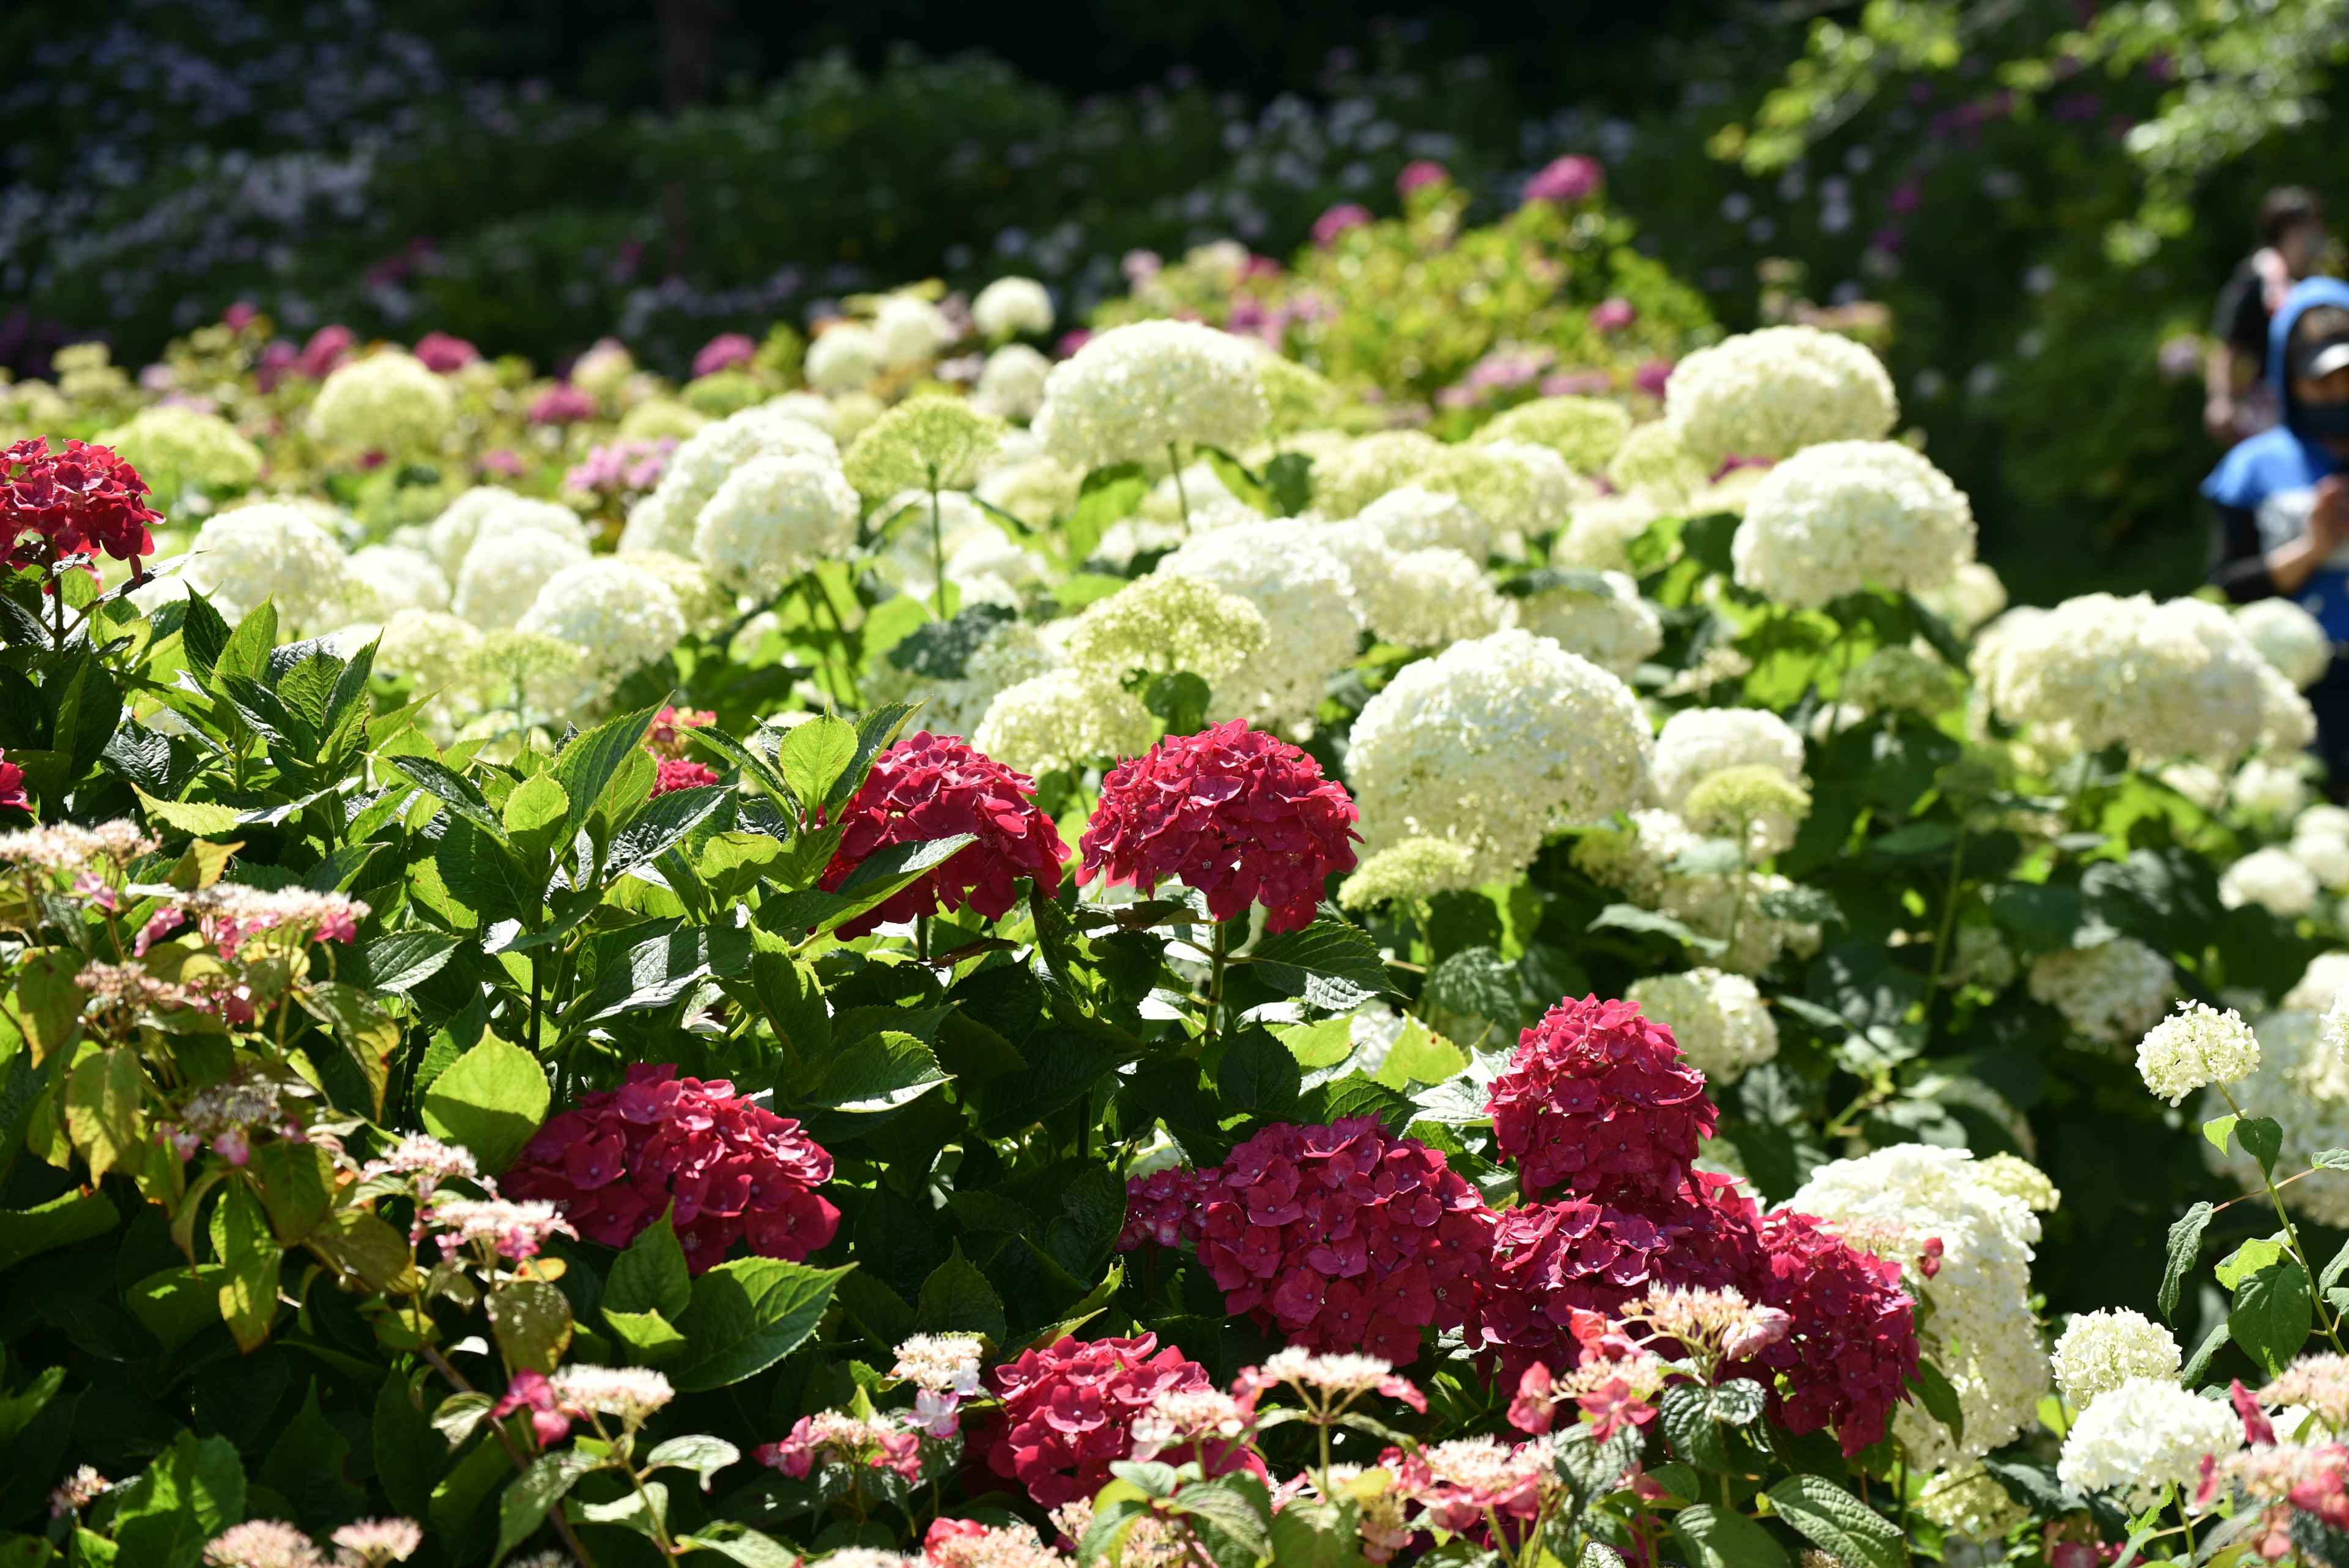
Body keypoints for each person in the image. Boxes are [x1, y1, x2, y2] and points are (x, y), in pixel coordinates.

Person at [2206, 277, 2349, 782]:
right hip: (2298, 694)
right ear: (2288, 379)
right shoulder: (2252, 468)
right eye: (2320, 380)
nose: (2338, 392)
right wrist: (2312, 548)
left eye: (2347, 376)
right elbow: (2228, 580)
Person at [2206, 187, 2329, 444]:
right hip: (2274, 409)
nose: (2318, 235)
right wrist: (2220, 400)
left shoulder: (2310, 281)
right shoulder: (2257, 278)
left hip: (2319, 400)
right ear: (2288, 230)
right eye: (2311, 227)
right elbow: (2229, 342)